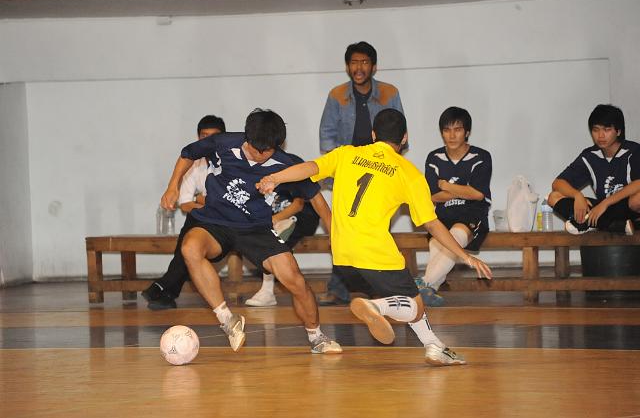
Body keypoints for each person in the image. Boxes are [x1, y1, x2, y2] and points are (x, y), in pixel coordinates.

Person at [258, 109, 492, 365]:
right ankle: (377, 307)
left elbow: (310, 167)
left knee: (411, 302)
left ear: (373, 134)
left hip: (342, 255)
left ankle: (434, 346)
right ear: (404, 138)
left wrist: (274, 178)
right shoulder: (408, 173)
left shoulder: (346, 154)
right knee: (415, 306)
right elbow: (433, 224)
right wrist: (464, 256)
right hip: (375, 252)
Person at [160, 108, 342, 354]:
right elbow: (187, 154)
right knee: (190, 248)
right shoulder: (224, 143)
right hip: (216, 221)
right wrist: (172, 187)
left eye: (268, 151)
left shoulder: (285, 164)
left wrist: (334, 232)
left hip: (256, 229)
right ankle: (227, 320)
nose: (261, 156)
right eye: (257, 150)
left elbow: (316, 198)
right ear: (247, 139)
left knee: (295, 279)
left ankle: (316, 337)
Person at [318, 40, 404, 305]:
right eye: (354, 62)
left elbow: (398, 129)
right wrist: (338, 168)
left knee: (375, 231)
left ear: (374, 67)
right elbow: (327, 135)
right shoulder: (336, 95)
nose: (359, 67)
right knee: (342, 231)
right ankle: (338, 288)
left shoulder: (389, 93)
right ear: (347, 67)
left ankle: (376, 288)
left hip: (380, 171)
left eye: (364, 62)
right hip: (349, 172)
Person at [142, 114, 226, 309]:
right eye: (204, 136)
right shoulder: (193, 163)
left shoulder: (231, 161)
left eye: (214, 136)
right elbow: (186, 203)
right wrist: (203, 201)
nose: (208, 141)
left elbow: (226, 200)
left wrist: (203, 200)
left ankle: (162, 286)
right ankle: (166, 293)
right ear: (198, 138)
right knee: (189, 234)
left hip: (229, 221)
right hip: (206, 219)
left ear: (224, 137)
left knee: (191, 234)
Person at [414, 107, 492, 307]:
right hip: (442, 217)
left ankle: (422, 284)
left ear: (467, 132)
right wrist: (464, 190)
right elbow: (432, 196)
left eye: (457, 129)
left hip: (471, 215)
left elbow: (478, 194)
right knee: (437, 244)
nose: (452, 135)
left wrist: (446, 185)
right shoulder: (434, 158)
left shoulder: (481, 157)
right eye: (447, 130)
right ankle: (429, 289)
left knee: (456, 234)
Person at [245, 155, 331, 307]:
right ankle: (268, 284)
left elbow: (298, 205)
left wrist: (273, 220)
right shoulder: (252, 167)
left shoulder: (290, 164)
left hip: (301, 216)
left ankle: (267, 291)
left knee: (274, 236)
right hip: (277, 217)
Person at [548, 104, 640, 234]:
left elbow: (638, 183)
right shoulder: (589, 156)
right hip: (602, 210)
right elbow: (557, 183)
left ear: (618, 131)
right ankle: (611, 225)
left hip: (625, 208)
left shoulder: (634, 151)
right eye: (596, 130)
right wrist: (577, 195)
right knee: (553, 197)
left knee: (637, 199)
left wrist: (605, 203)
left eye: (607, 129)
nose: (600, 135)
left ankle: (591, 223)